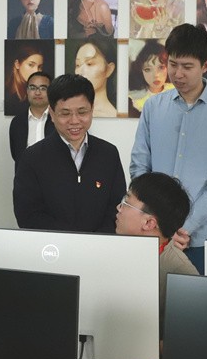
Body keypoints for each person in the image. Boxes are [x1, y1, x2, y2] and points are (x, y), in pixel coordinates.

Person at [130, 23, 207, 274]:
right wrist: (156, 219)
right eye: (172, 64)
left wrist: (185, 227)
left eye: (187, 67)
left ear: (205, 66)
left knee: (199, 299)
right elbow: (139, 166)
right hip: (154, 234)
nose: (177, 74)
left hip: (200, 238)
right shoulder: (153, 107)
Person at [13, 74, 125, 232]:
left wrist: (93, 240)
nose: (74, 121)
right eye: (65, 113)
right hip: (51, 245)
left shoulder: (108, 154)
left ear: (92, 109)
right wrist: (70, 240)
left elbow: (117, 208)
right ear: (52, 114)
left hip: (99, 243)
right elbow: (27, 214)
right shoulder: (32, 158)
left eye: (82, 112)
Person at [114, 172, 198, 338]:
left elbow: (187, 338)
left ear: (149, 223)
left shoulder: (181, 274)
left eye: (126, 203)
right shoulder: (119, 251)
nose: (119, 208)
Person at [8, 71, 55, 163]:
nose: (37, 92)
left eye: (43, 88)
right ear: (27, 91)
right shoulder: (17, 122)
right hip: (25, 171)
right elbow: (16, 154)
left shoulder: (59, 120)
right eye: (33, 88)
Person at [128, 41, 173, 118]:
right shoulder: (137, 100)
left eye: (161, 67)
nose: (156, 75)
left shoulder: (176, 92)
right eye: (148, 69)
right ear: (141, 71)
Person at [73, 37, 117, 117]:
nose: (80, 72)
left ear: (109, 69)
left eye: (89, 64)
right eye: (78, 65)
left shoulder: (113, 116)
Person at [5, 44, 45, 116]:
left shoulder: (31, 93)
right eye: (31, 65)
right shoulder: (10, 96)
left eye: (40, 67)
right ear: (17, 64)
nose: (36, 71)